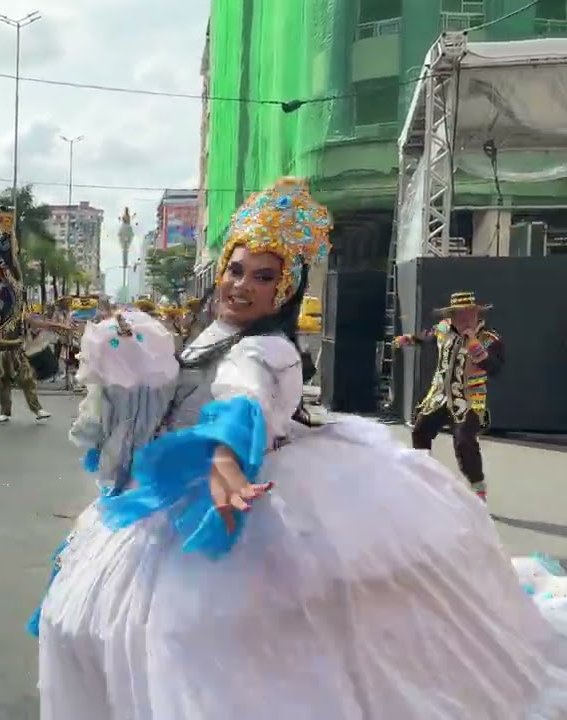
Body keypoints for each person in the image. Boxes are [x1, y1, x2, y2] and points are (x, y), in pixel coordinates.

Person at [32, 178, 567, 719]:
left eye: (263, 277)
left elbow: (244, 399)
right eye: (236, 270)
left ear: (285, 289)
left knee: (203, 642)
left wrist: (225, 457)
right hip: (179, 494)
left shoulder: (267, 349)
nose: (242, 286)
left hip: (253, 489)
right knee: (101, 624)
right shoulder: (212, 329)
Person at [394, 291, 504, 501]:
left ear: (477, 314)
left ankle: (478, 488)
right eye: (458, 313)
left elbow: (495, 368)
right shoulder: (444, 329)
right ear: (451, 316)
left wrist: (474, 345)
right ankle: (424, 479)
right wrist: (407, 339)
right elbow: (427, 336)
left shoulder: (490, 340)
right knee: (420, 431)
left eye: (468, 313)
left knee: (464, 442)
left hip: (470, 400)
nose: (464, 318)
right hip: (439, 397)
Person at [0, 311, 67, 423]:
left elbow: (36, 323)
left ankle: (38, 410)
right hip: (0, 352)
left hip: (17, 352)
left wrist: (59, 325)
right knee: (3, 382)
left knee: (27, 379)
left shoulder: (20, 313)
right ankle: (4, 412)